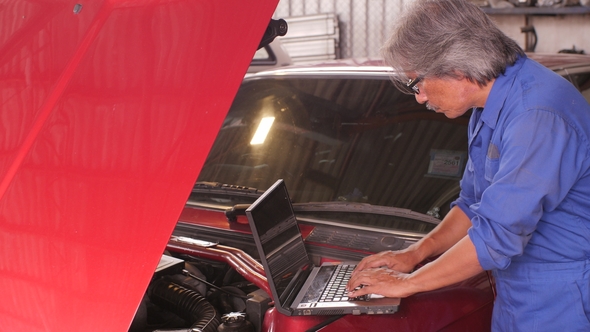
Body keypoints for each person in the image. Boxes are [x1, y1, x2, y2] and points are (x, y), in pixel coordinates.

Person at [345, 0, 590, 330]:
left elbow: (495, 236)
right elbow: (473, 205)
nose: (418, 97)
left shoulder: (536, 116)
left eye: (417, 82)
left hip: (563, 298)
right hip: (519, 293)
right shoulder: (488, 106)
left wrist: (408, 283)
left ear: (457, 68)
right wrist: (413, 255)